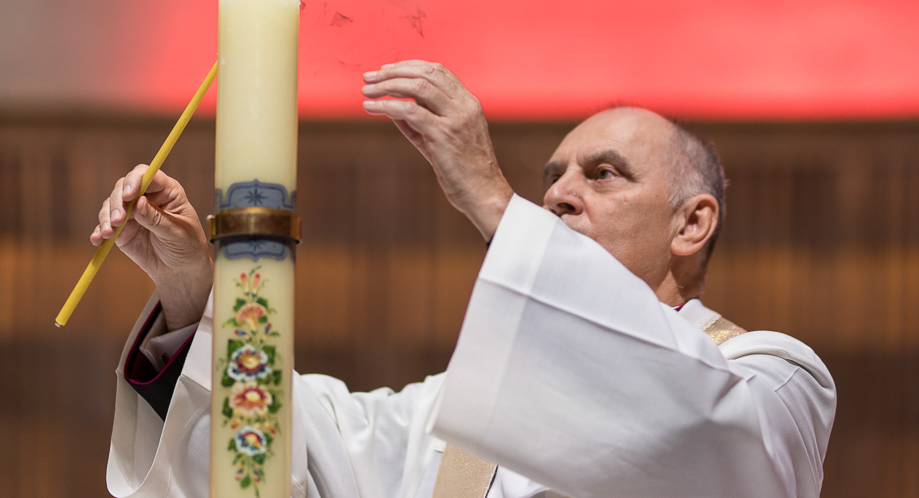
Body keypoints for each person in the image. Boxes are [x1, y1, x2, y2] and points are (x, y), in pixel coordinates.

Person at [94, 60, 836, 498]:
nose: (559, 194)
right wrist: (193, 296)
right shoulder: (456, 418)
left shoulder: (774, 379)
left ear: (691, 224)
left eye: (604, 174)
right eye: (552, 178)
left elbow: (693, 438)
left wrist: (491, 197)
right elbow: (278, 459)